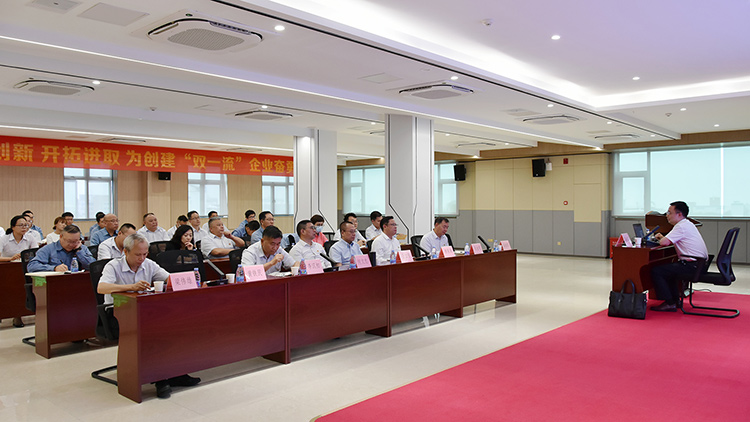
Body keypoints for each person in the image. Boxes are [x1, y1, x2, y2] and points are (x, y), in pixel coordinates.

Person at [96, 233, 199, 398]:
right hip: (117, 315)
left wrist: (185, 280)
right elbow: (101, 288)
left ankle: (176, 372)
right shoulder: (113, 266)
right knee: (155, 331)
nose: (142, 258)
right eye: (138, 254)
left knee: (176, 325)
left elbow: (169, 278)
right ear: (125, 252)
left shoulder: (148, 264)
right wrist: (131, 287)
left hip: (145, 312)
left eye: (145, 254)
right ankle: (161, 379)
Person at [649, 201, 708, 312]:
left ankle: (669, 303)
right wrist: (663, 238)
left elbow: (664, 243)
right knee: (669, 270)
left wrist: (660, 237)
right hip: (700, 264)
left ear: (679, 214)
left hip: (692, 266)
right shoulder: (688, 224)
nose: (667, 215)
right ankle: (675, 301)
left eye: (669, 213)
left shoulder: (681, 226)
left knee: (657, 271)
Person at [0, 215, 38, 328]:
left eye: (26, 225)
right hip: (8, 271)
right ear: (13, 227)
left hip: (26, 269)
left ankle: (21, 314)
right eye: (21, 225)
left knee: (24, 291)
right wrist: (10, 258)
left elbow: (36, 254)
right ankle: (12, 314)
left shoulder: (30, 237)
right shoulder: (4, 239)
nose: (24, 227)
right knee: (10, 292)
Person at [27, 224, 95, 272]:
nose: (72, 244)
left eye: (75, 241)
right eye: (69, 241)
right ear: (61, 237)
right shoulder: (48, 249)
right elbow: (32, 266)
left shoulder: (82, 248)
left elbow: (94, 267)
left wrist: (79, 251)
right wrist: (54, 268)